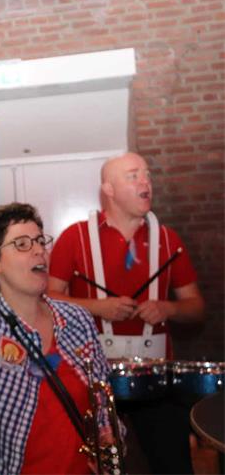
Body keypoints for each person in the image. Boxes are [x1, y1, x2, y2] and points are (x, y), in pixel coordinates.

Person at [0, 120, 115, 474]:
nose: (37, 250)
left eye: (39, 241)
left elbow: (102, 397)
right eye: (21, 244)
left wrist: (108, 440)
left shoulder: (76, 319)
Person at [48, 151, 205, 473]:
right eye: (133, 176)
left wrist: (169, 308)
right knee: (98, 465)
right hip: (93, 380)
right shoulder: (74, 237)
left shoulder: (168, 239)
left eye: (147, 175)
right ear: (108, 189)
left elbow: (196, 307)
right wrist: (97, 307)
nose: (146, 182)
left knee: (172, 464)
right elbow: (47, 298)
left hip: (157, 378)